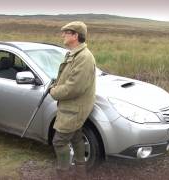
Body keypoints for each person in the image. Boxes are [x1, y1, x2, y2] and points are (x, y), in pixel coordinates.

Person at [49, 21, 96, 179]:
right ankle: (80, 173)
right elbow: (67, 77)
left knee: (59, 141)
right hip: (72, 107)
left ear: (76, 36)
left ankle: (63, 174)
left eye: (66, 32)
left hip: (75, 108)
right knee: (76, 137)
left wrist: (54, 91)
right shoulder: (73, 54)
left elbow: (74, 87)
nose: (63, 35)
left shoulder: (84, 57)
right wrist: (57, 82)